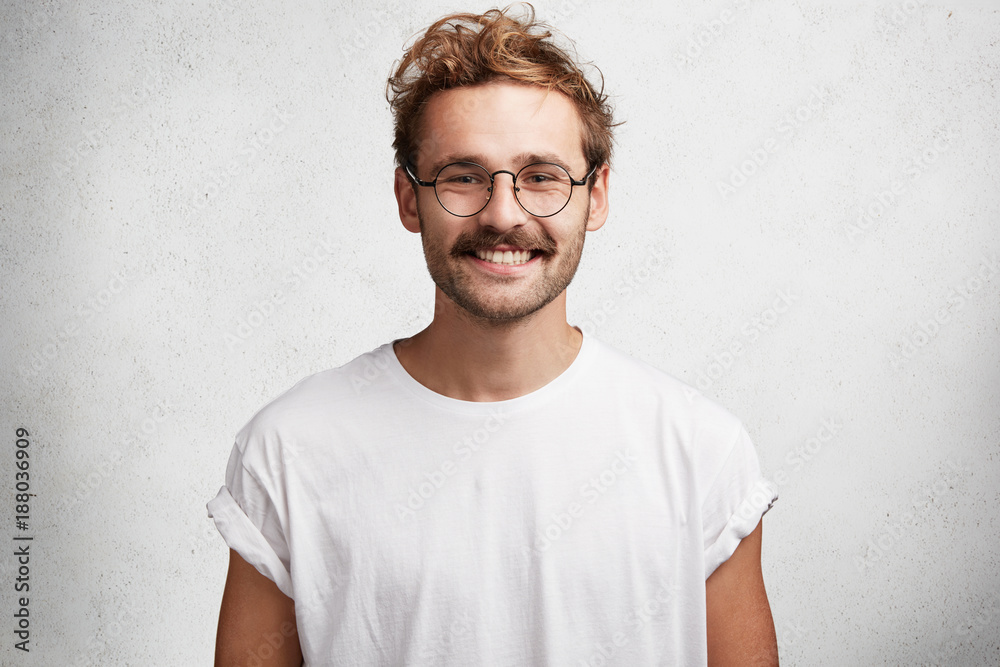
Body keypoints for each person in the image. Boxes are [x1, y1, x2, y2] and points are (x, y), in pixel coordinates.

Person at [207, 5, 779, 666]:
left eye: (542, 177)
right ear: (408, 198)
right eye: (464, 177)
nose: (503, 214)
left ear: (595, 196)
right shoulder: (289, 450)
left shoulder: (701, 452)